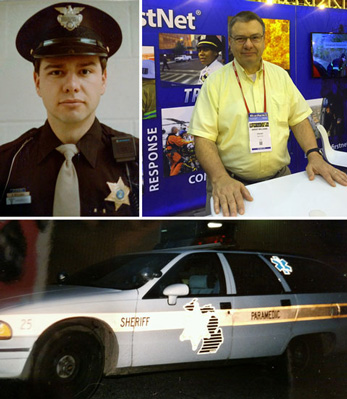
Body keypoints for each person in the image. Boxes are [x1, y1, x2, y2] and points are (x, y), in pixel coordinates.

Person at [189, 11, 347, 217]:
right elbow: (203, 137)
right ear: (230, 43)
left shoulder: (280, 76)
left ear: (264, 40)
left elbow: (298, 119)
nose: (248, 44)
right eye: (240, 38)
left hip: (281, 180)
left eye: (254, 37)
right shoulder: (214, 83)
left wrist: (313, 154)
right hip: (231, 185)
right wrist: (220, 178)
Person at [0, 3, 139, 216]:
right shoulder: (7, 164)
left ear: (103, 80)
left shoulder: (139, 161)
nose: (71, 85)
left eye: (85, 71)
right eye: (56, 72)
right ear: (37, 82)